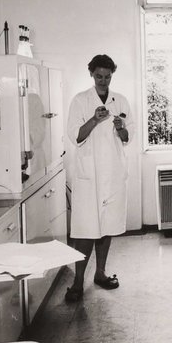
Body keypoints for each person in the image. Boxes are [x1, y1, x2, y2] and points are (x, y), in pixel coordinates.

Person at [64, 54, 133, 302]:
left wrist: (120, 128)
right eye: (99, 76)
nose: (103, 81)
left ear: (112, 75)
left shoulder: (121, 100)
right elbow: (76, 137)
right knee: (85, 229)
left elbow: (127, 138)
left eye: (107, 76)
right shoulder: (80, 101)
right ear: (91, 74)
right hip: (89, 176)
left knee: (107, 226)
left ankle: (100, 273)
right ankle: (77, 282)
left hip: (112, 174)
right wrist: (95, 119)